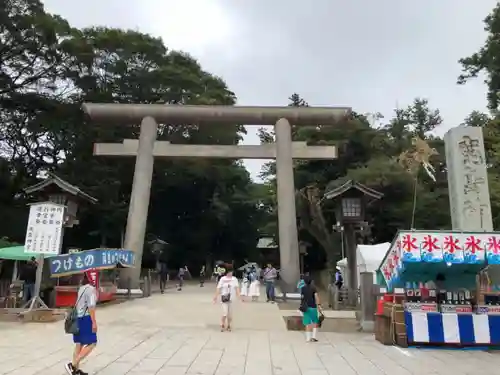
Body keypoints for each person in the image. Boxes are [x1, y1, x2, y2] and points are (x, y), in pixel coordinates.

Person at [65, 273, 98, 375]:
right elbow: (91, 307)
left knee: (79, 344)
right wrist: (94, 322)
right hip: (85, 318)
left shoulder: (81, 288)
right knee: (92, 342)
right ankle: (73, 365)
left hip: (77, 318)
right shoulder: (90, 289)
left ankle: (75, 371)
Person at [213, 267, 241, 331]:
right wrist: (215, 296)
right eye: (229, 272)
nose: (230, 273)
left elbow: (237, 288)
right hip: (224, 298)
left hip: (232, 298)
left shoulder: (234, 279)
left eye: (231, 272)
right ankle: (222, 324)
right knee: (224, 313)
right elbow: (218, 288)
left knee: (230, 314)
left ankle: (228, 325)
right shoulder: (223, 279)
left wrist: (239, 296)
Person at [300, 275, 322, 342]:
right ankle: (314, 337)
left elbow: (302, 298)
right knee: (315, 322)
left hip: (306, 307)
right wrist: (319, 305)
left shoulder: (303, 288)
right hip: (313, 307)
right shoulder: (313, 288)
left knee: (307, 323)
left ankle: (308, 338)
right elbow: (316, 297)